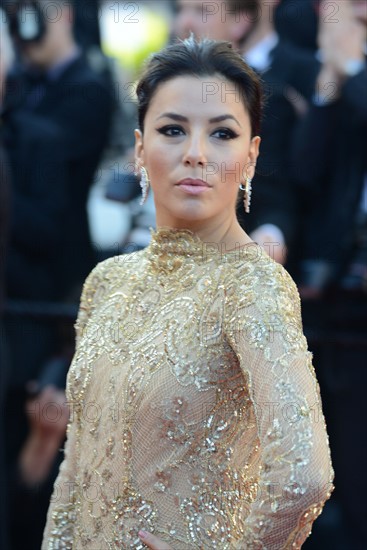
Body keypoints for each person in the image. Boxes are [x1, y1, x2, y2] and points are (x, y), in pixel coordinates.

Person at [42, 37, 334, 549]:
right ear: (139, 149)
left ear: (251, 156)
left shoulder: (253, 285)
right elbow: (77, 466)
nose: (195, 154)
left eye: (222, 133)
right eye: (173, 130)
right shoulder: (107, 282)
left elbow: (303, 477)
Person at [291, 1, 367, 547]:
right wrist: (329, 86)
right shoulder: (348, 84)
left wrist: (356, 70)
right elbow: (305, 170)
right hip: (342, 295)